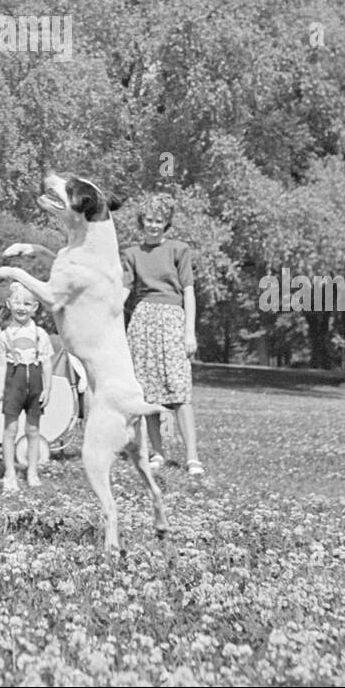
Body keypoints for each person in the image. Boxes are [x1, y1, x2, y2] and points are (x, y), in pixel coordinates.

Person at [121, 195, 204, 478]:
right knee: (148, 392)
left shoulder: (179, 250)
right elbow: (125, 291)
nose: (153, 225)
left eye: (159, 220)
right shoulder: (132, 253)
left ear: (166, 222)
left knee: (180, 391)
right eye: (149, 220)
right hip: (143, 322)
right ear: (141, 221)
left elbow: (189, 291)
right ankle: (157, 452)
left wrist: (189, 331)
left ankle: (192, 457)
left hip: (172, 321)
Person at [0, 281, 53, 494]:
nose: (22, 308)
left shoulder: (40, 334)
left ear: (35, 307)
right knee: (10, 428)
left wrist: (48, 389)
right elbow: (1, 364)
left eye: (27, 304)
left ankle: (32, 471)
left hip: (35, 381)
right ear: (9, 304)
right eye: (17, 303)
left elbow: (46, 363)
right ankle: (9, 473)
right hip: (14, 381)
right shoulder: (5, 335)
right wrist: (0, 390)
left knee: (33, 429)